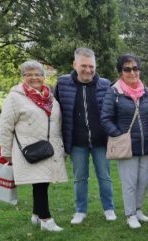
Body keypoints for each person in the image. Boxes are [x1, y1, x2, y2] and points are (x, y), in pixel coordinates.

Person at [0, 60, 68, 232]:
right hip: (30, 149)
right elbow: (5, 126)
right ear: (23, 77)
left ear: (44, 77)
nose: (34, 78)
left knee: (42, 183)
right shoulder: (15, 97)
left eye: (38, 74)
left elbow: (57, 123)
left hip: (49, 148)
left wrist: (62, 148)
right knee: (40, 182)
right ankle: (46, 219)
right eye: (29, 74)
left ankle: (36, 215)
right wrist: (6, 152)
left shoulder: (50, 97)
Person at [54, 47, 115, 225]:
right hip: (76, 142)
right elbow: (56, 111)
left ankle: (109, 208)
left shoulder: (105, 84)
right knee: (80, 178)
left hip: (101, 141)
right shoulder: (63, 83)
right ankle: (80, 210)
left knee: (105, 176)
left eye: (91, 66)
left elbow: (111, 111)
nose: (88, 70)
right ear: (74, 64)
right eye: (83, 66)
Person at [100, 54, 148, 229]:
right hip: (127, 146)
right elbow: (105, 119)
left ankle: (138, 209)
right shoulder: (114, 92)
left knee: (144, 181)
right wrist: (119, 135)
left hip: (146, 144)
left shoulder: (146, 92)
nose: (132, 72)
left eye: (135, 68)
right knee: (130, 182)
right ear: (121, 72)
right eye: (127, 69)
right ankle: (130, 214)